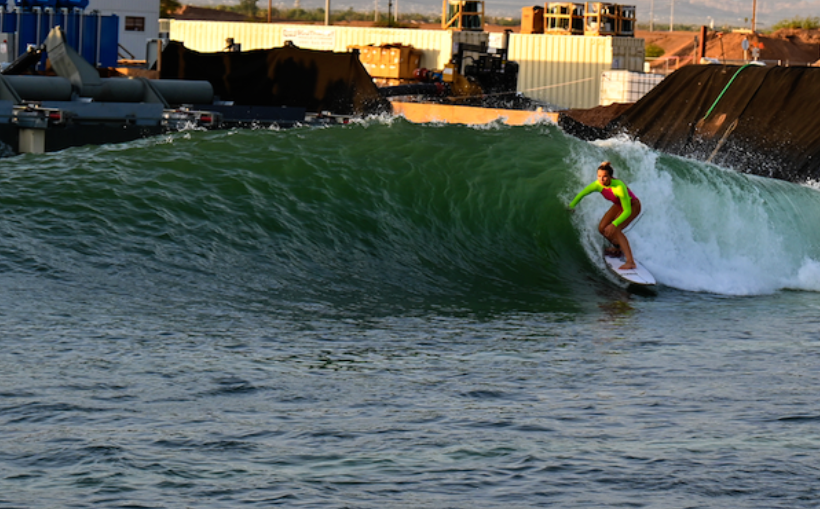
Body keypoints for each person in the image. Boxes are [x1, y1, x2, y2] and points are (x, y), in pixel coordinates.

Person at [568, 161, 642, 270]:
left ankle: (630, 262)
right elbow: (583, 193)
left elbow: (627, 211)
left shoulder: (619, 187)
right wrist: (571, 206)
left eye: (604, 177)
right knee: (602, 228)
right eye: (599, 176)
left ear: (611, 177)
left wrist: (614, 224)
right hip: (618, 204)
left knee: (616, 229)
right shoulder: (597, 185)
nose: (601, 180)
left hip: (632, 206)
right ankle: (618, 247)